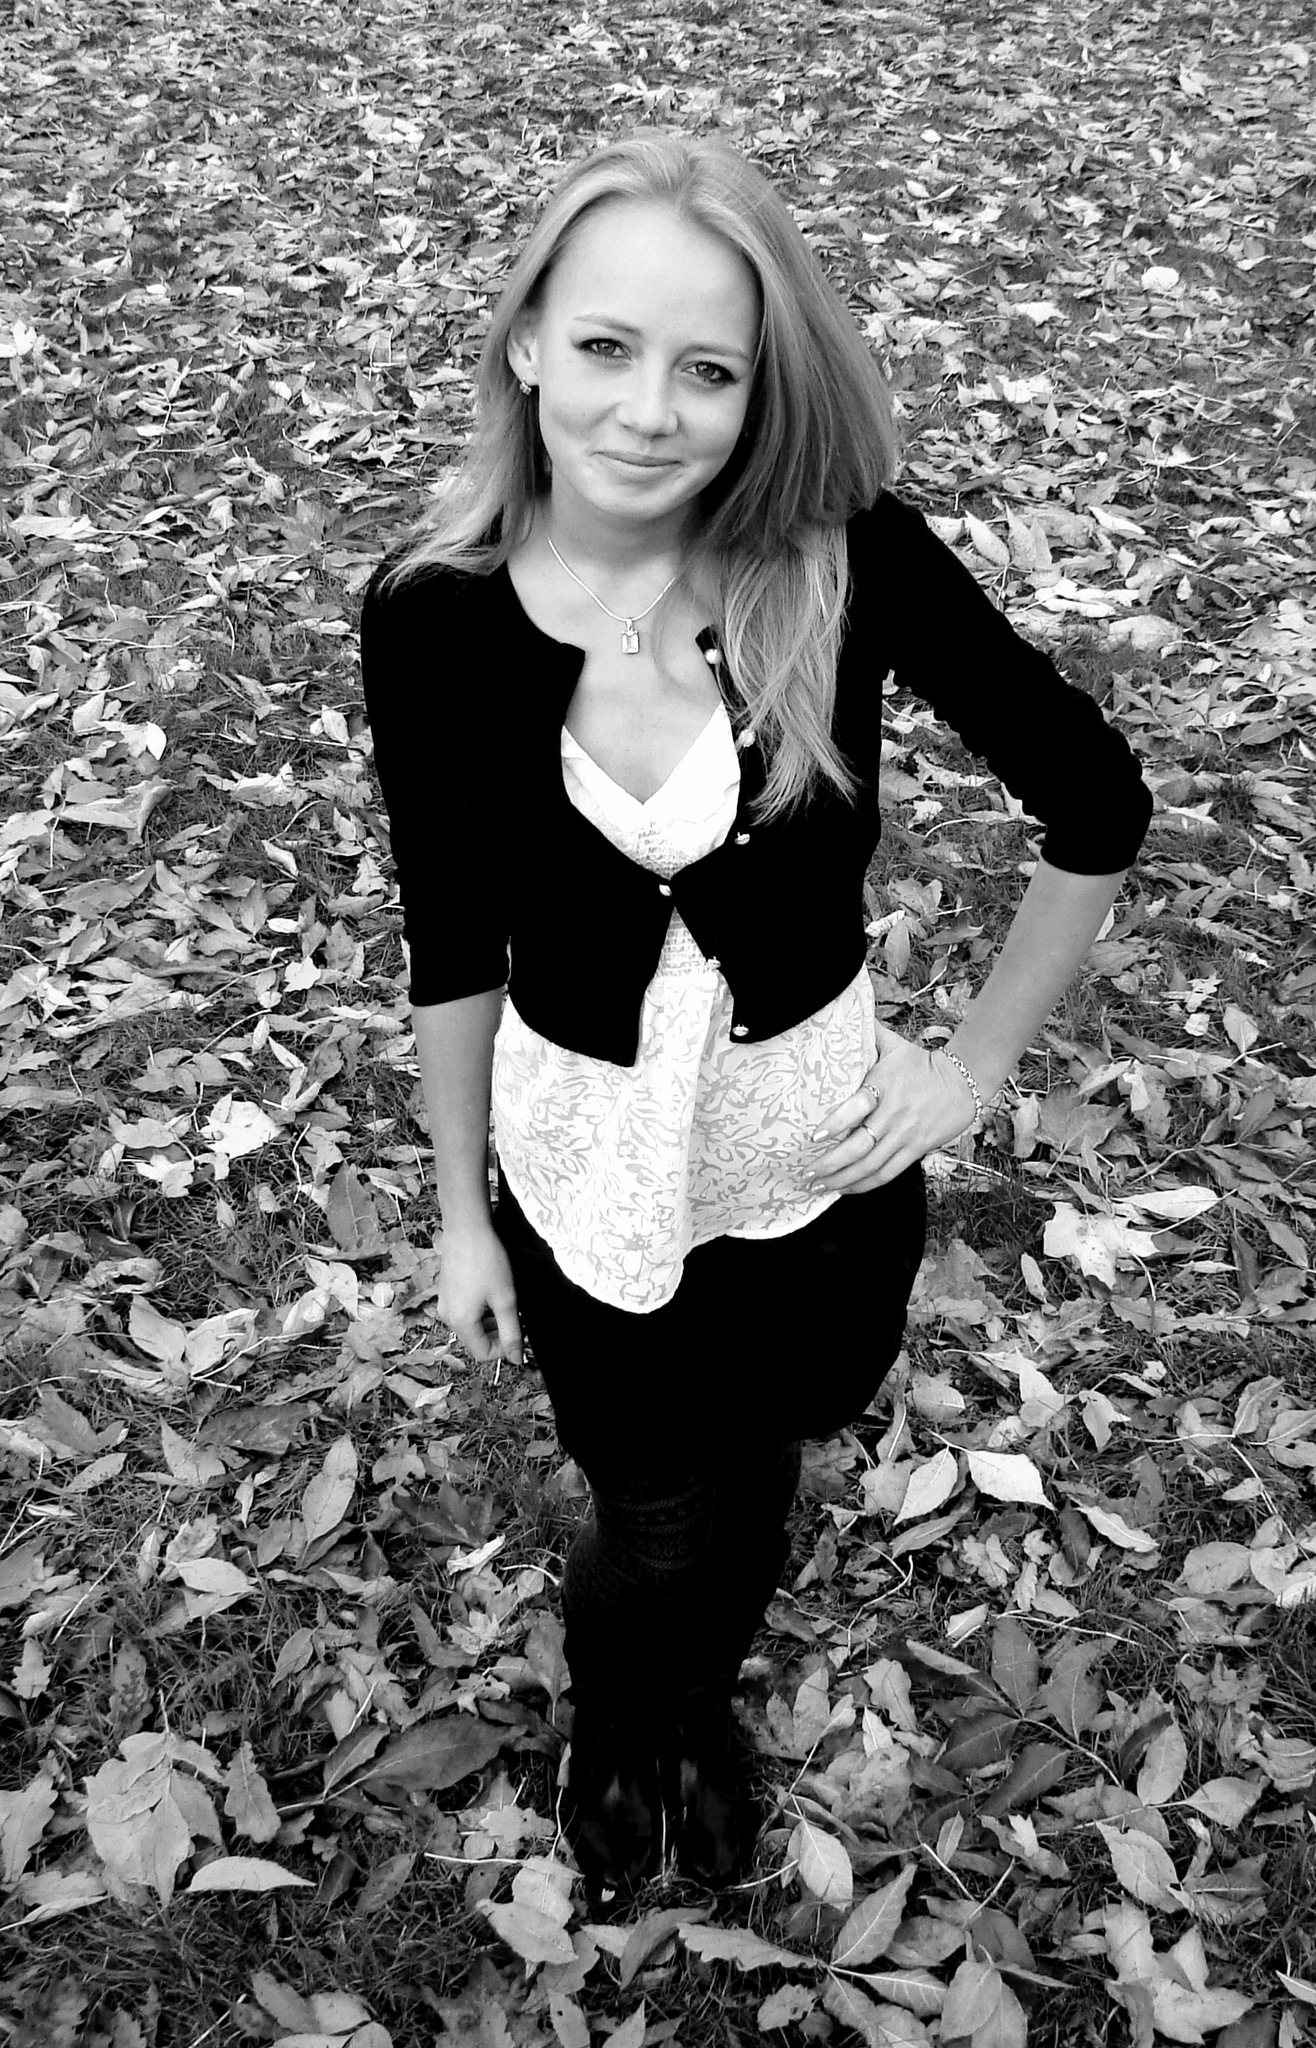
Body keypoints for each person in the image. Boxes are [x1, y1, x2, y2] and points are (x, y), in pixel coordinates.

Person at [358, 132, 1152, 1904]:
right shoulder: (431, 616)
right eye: (606, 346)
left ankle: (697, 1703)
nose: (651, 412)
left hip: (816, 1163)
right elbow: (451, 938)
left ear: (758, 387)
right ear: (526, 344)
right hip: (587, 1169)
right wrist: (462, 1214)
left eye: (709, 370)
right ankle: (622, 1719)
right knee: (653, 1517)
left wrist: (975, 1066)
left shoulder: (842, 558)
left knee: (764, 1463)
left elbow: (1095, 800)